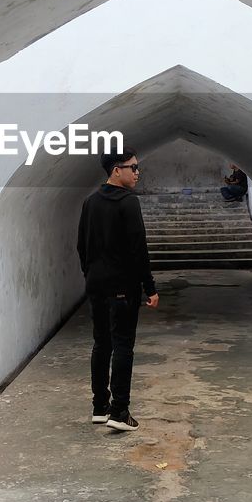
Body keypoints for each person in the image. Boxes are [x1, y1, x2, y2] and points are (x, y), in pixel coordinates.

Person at [76, 146, 159, 432]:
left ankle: (100, 406)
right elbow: (139, 250)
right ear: (116, 170)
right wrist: (150, 287)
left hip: (96, 285)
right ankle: (120, 411)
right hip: (122, 286)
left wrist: (91, 275)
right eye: (132, 167)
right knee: (123, 345)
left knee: (102, 344)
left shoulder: (90, 202)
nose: (137, 172)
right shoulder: (128, 202)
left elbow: (81, 247)